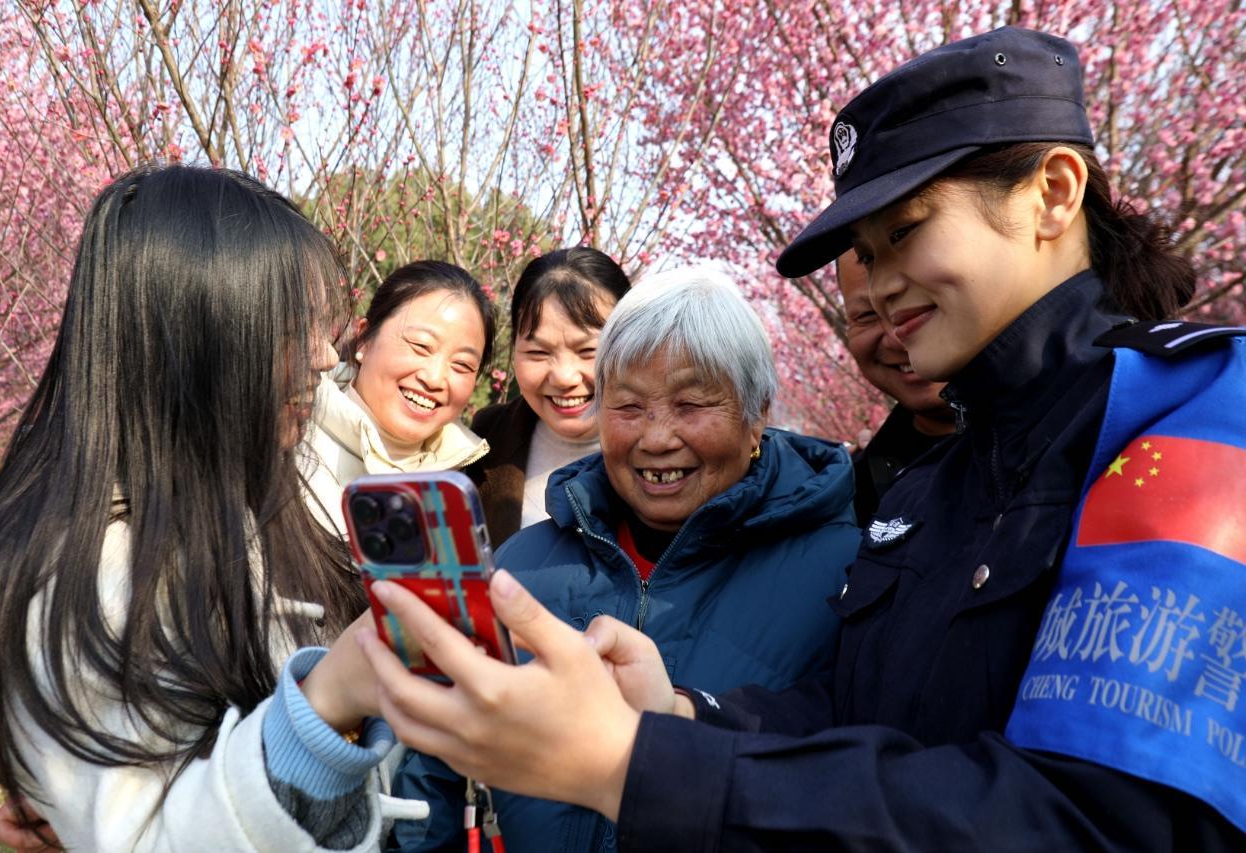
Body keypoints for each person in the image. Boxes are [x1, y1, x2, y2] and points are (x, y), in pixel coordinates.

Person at [351, 27, 1246, 849]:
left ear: (1053, 192)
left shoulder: (1186, 418)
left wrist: (635, 763)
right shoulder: (930, 485)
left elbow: (1101, 818)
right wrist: (682, 712)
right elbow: (858, 715)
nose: (881, 284)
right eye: (868, 250)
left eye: (906, 231)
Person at [0, 165, 420, 851]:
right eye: (292, 326)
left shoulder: (242, 518)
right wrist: (326, 701)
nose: (326, 357)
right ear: (192, 341)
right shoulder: (82, 578)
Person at [392, 267, 860, 850]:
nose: (656, 438)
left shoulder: (849, 579)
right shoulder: (521, 562)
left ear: (756, 412)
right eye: (629, 406)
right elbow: (434, 761)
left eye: (692, 404)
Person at [302, 261, 493, 536]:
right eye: (420, 346)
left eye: (462, 365)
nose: (435, 379)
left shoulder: (464, 485)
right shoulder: (287, 445)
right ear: (365, 339)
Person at [466, 247, 630, 547]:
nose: (564, 377)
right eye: (538, 352)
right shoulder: (485, 440)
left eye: (588, 351)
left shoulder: (669, 446)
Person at [835, 249, 953, 525]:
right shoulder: (854, 497)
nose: (897, 336)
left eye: (920, 304)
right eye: (867, 315)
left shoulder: (1052, 431)